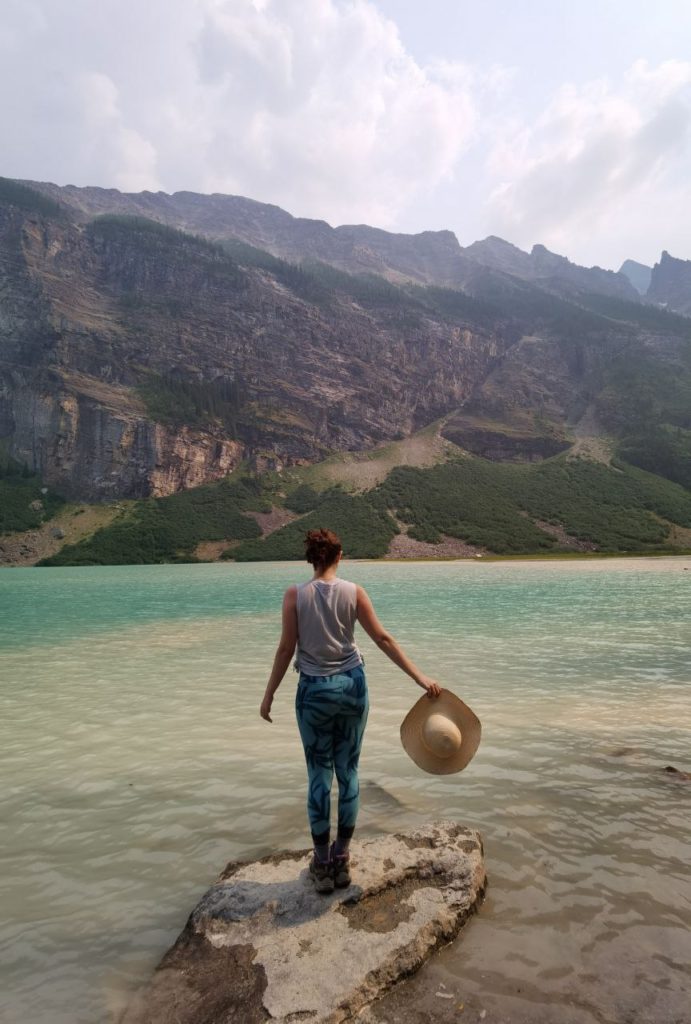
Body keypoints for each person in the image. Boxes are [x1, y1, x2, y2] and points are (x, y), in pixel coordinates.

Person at [260, 527, 441, 894]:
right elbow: (383, 639)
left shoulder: (295, 595)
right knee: (349, 772)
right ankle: (342, 859)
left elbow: (284, 650)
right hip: (353, 687)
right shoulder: (354, 592)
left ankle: (322, 863)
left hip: (313, 692)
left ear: (311, 558)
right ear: (339, 557)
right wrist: (420, 678)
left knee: (319, 775)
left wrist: (268, 697)